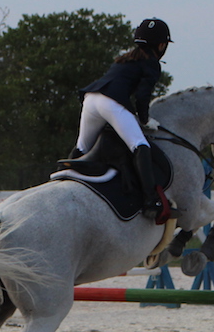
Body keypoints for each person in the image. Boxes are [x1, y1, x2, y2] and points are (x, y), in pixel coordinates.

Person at [71, 17, 172, 219]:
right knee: (140, 145)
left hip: (91, 99)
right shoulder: (151, 63)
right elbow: (143, 96)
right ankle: (151, 200)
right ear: (161, 45)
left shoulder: (125, 58)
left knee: (83, 146)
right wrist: (144, 119)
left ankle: (64, 179)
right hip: (111, 102)